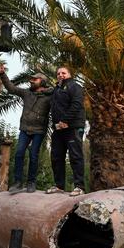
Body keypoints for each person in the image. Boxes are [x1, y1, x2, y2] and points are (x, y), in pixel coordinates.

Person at [0, 65, 53, 193]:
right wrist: (2, 74)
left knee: (34, 155)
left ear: (42, 82)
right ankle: (17, 182)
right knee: (19, 153)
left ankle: (31, 182)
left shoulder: (50, 96)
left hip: (39, 130)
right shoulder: (27, 93)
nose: (31, 81)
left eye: (35, 79)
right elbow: (11, 88)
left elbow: (59, 105)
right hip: (25, 129)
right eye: (31, 79)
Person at [45, 66, 86, 196]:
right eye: (58, 73)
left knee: (75, 156)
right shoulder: (56, 89)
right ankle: (59, 186)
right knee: (56, 157)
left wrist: (65, 121)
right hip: (58, 128)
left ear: (69, 74)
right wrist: (56, 124)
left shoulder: (75, 86)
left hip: (72, 126)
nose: (60, 75)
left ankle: (79, 186)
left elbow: (76, 104)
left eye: (64, 73)